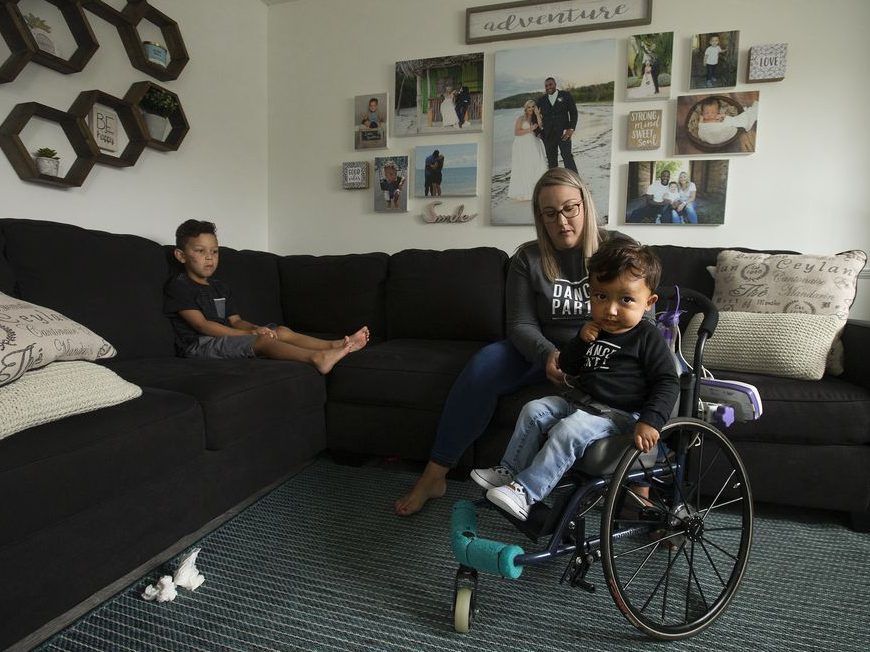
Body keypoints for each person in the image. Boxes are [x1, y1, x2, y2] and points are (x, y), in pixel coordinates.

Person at [395, 168, 622, 516]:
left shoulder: (618, 250)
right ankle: (434, 476)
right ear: (539, 217)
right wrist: (548, 354)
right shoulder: (527, 258)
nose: (562, 221)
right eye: (550, 213)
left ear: (586, 205)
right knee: (484, 363)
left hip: (600, 349)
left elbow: (642, 319)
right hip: (542, 349)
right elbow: (519, 323)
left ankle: (639, 488)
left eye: (570, 209)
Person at [470, 239, 679, 521]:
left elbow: (667, 381)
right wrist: (580, 341)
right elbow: (568, 365)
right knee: (534, 409)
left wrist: (651, 420)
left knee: (569, 430)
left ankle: (526, 492)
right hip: (580, 401)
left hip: (618, 416)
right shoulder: (594, 330)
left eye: (626, 299)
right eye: (601, 297)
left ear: (648, 303)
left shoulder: (647, 337)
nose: (611, 310)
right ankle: (509, 470)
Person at [165, 220, 369, 374]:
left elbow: (236, 321)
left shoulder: (220, 287)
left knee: (280, 331)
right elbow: (203, 326)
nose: (209, 257)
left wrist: (255, 328)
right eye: (200, 251)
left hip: (226, 337)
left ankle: (335, 345)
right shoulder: (180, 286)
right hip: (200, 345)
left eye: (215, 251)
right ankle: (317, 357)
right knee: (263, 342)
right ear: (181, 255)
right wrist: (252, 336)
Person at [507, 100, 548, 201]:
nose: (531, 109)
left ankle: (538, 190)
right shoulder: (521, 118)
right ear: (526, 108)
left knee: (538, 164)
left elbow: (541, 126)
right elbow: (516, 132)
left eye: (533, 107)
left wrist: (538, 114)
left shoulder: (536, 118)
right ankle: (526, 191)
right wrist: (530, 129)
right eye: (529, 107)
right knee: (525, 166)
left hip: (534, 144)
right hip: (522, 145)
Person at [535, 77, 578, 172]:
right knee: (551, 160)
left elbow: (573, 112)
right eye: (546, 86)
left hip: (564, 133)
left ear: (555, 84)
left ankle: (574, 179)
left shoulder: (565, 95)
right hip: (548, 135)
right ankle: (555, 181)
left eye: (550, 84)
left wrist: (571, 129)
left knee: (567, 157)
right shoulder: (541, 100)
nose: (548, 87)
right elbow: (534, 115)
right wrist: (537, 131)